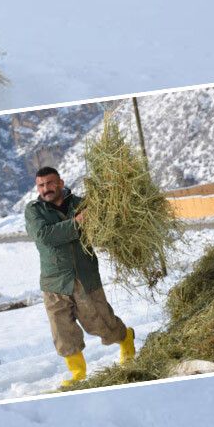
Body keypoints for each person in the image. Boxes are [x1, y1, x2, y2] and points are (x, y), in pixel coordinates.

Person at [24, 166, 135, 387]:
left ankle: (126, 339)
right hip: (53, 281)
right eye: (41, 185)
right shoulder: (34, 210)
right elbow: (44, 236)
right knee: (62, 330)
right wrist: (77, 223)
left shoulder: (81, 204)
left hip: (85, 276)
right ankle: (78, 374)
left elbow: (103, 230)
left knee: (101, 324)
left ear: (61, 183)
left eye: (50, 183)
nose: (46, 189)